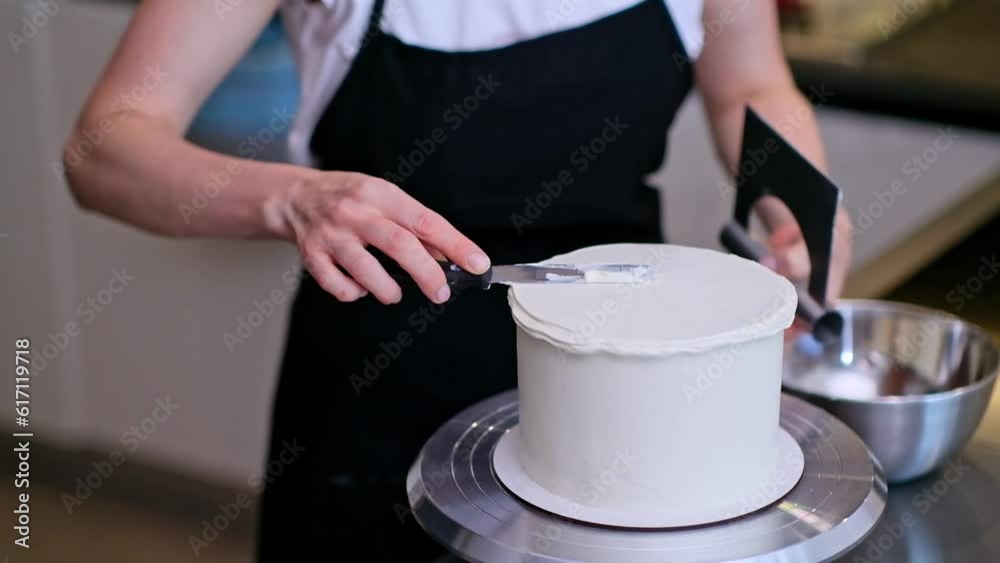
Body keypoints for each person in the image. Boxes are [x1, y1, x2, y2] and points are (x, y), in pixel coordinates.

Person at [64, 0, 852, 560]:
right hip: (378, 389)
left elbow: (749, 84)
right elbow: (103, 150)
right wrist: (294, 198)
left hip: (620, 399)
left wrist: (795, 200)